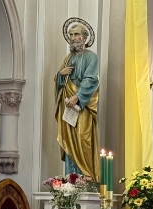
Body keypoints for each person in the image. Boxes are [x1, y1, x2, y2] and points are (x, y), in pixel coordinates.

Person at [55, 20, 99, 180]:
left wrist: (78, 97)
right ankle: (71, 177)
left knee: (83, 138)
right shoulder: (68, 58)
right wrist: (61, 74)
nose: (73, 38)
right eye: (71, 35)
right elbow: (59, 82)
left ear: (85, 37)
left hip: (82, 107)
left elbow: (91, 80)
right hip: (67, 107)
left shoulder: (91, 57)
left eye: (77, 34)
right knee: (69, 142)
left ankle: (86, 175)